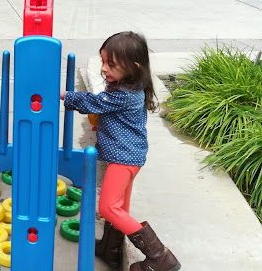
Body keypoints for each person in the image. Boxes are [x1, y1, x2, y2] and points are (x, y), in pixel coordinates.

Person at [60, 32, 181, 271]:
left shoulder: (124, 95)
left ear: (133, 67)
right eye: (103, 61)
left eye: (111, 64)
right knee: (120, 208)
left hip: (124, 159)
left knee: (108, 208)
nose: (104, 68)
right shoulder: (130, 88)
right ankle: (111, 250)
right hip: (129, 157)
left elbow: (95, 103)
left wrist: (65, 95)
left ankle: (160, 256)